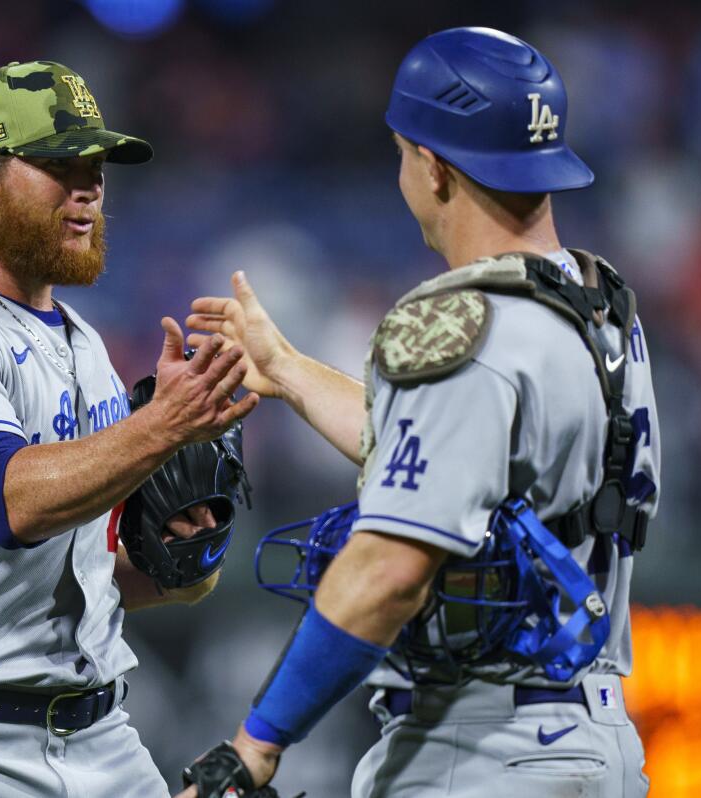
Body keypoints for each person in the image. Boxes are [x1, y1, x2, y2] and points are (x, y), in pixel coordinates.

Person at [176, 27, 659, 798]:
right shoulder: (599, 305)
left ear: (434, 166)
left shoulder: (465, 319)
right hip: (593, 739)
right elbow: (450, 453)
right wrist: (290, 372)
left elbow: (391, 568)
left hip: (485, 751)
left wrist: (256, 744)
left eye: (405, 153)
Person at [0, 60, 257, 798]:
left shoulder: (84, 344)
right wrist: (159, 427)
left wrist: (174, 561)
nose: (88, 187)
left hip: (99, 738)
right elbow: (10, 503)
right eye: (59, 164)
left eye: (95, 166)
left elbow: (85, 578)